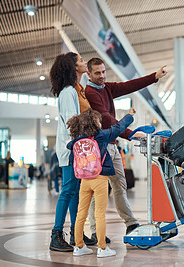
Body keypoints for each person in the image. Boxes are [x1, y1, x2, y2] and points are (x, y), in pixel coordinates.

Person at [85, 57, 167, 240]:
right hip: (99, 148)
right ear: (89, 74)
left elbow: (128, 86)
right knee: (97, 190)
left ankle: (131, 223)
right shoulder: (90, 92)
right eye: (97, 73)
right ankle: (94, 231)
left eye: (103, 72)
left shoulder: (106, 88)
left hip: (113, 146)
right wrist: (130, 133)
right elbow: (106, 119)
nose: (102, 76)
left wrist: (154, 76)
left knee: (120, 185)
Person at [66, 107, 135, 257]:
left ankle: (78, 247)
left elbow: (71, 152)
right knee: (99, 214)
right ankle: (102, 248)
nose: (100, 122)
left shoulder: (77, 141)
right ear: (94, 123)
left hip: (84, 180)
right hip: (100, 178)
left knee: (81, 213)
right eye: (98, 120)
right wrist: (129, 116)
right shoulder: (102, 136)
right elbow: (119, 127)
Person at [48, 52, 95, 252]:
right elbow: (71, 123)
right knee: (68, 190)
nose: (84, 63)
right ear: (73, 67)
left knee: (75, 192)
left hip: (74, 148)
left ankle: (77, 234)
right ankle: (56, 235)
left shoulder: (74, 90)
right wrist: (78, 148)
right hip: (70, 150)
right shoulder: (68, 92)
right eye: (81, 61)